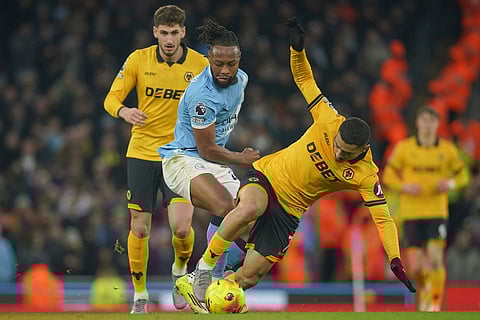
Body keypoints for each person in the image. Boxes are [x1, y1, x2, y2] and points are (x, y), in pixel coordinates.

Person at [176, 17, 416, 314]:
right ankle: (204, 269)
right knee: (249, 209)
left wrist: (394, 258)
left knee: (248, 278)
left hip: (290, 211)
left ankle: (213, 294)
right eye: (337, 145)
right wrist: (297, 50)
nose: (338, 152)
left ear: (363, 150)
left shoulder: (366, 174)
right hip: (268, 177)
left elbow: (383, 219)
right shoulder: (329, 119)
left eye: (345, 152)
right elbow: (305, 80)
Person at [104, 5, 209, 314]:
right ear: (155, 32)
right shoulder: (139, 60)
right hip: (142, 153)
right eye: (163, 33)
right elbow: (111, 98)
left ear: (183, 33)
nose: (168, 39)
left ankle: (179, 273)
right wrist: (124, 111)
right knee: (139, 229)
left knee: (181, 229)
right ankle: (140, 295)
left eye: (174, 33)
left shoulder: (200, 64)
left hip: (180, 156)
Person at [157, 19, 260, 310]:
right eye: (218, 64)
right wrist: (241, 158)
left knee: (251, 221)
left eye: (231, 63)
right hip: (183, 159)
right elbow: (206, 148)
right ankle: (205, 274)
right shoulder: (202, 95)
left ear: (239, 60)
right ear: (209, 60)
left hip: (212, 163)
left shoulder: (242, 79)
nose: (225, 71)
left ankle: (218, 276)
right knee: (226, 208)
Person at [382, 106, 469, 311]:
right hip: (411, 214)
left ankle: (435, 304)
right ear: (418, 123)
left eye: (432, 120)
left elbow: (462, 175)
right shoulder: (405, 148)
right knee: (417, 267)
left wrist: (450, 184)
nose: (428, 124)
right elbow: (388, 175)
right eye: (424, 120)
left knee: (436, 258)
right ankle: (424, 298)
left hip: (437, 212)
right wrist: (404, 186)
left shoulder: (447, 150)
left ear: (437, 125)